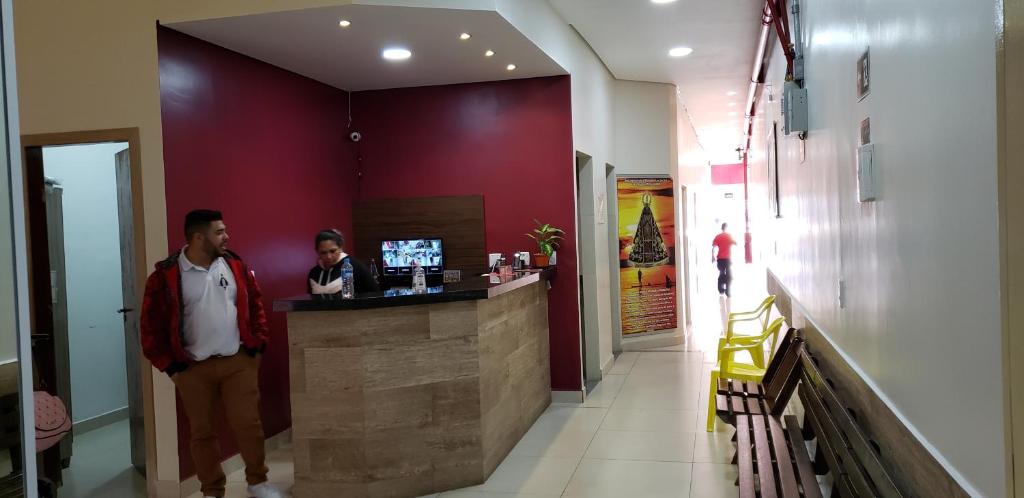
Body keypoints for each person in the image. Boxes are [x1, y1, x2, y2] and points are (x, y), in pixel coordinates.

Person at [140, 210, 281, 498]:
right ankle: (212, 491)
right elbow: (149, 327)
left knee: (248, 424)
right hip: (192, 368)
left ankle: (258, 483)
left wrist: (257, 347)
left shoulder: (234, 265)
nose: (226, 237)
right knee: (202, 433)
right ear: (198, 237)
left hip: (238, 361)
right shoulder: (165, 276)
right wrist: (172, 368)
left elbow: (255, 304)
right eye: (219, 232)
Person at [307, 229, 380, 294]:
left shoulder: (356, 267)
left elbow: (375, 294)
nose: (329, 256)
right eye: (323, 252)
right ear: (317, 251)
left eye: (332, 251)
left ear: (340, 248)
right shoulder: (314, 273)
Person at [712, 223, 738, 297]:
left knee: (722, 273)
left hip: (720, 259)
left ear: (721, 228)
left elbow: (713, 247)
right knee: (729, 275)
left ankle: (721, 289)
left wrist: (713, 256)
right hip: (727, 259)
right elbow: (735, 243)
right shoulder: (729, 236)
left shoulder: (718, 236)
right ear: (726, 228)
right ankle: (727, 291)